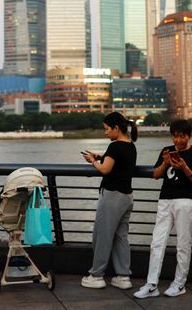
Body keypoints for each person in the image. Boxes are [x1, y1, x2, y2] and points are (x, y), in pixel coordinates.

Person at [134, 119, 192, 299]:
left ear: (188, 136)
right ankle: (151, 284)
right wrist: (165, 163)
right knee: (157, 242)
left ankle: (179, 283)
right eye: (175, 136)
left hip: (185, 200)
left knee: (183, 244)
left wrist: (185, 167)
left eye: (182, 136)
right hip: (165, 200)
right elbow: (156, 175)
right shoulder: (166, 151)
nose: (178, 140)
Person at [80, 111, 137, 290]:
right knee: (121, 237)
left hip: (112, 196)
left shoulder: (114, 146)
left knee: (102, 235)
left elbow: (105, 170)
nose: (105, 133)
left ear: (116, 128)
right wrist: (100, 156)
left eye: (106, 129)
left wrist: (92, 161)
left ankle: (96, 275)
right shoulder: (130, 145)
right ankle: (123, 276)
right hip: (127, 197)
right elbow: (116, 160)